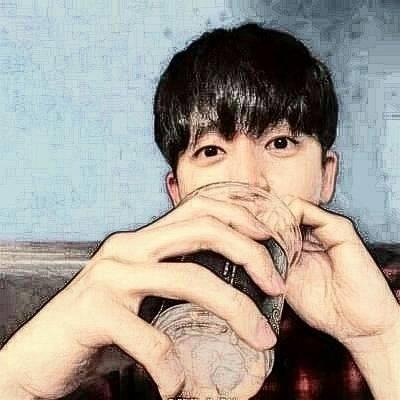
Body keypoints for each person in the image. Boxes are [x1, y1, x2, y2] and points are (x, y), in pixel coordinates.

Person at [0, 23, 399, 400]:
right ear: (179, 195)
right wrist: (19, 380)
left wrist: (379, 340)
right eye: (211, 151)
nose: (247, 180)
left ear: (326, 176)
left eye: (280, 143)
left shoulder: (383, 301)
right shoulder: (128, 310)